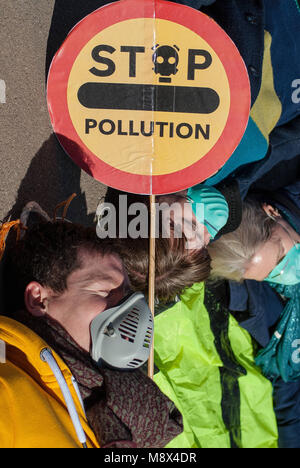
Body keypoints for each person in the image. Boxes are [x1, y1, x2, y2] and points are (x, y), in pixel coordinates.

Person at [0, 219, 183, 448]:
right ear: (39, 299)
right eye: (106, 291)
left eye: (127, 296)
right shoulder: (7, 388)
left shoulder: (107, 401)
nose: (130, 312)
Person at [207, 181, 300, 448]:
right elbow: (288, 387)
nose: (285, 274)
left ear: (273, 212)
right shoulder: (266, 308)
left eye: (281, 255)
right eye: (270, 274)